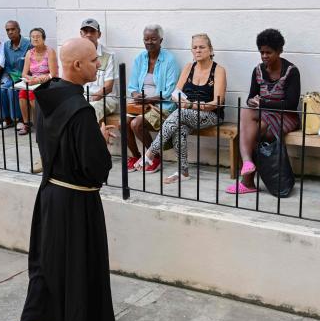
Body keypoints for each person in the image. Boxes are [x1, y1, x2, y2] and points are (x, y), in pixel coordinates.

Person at [19, 37, 117, 321]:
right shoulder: (80, 111)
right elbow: (96, 168)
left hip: (50, 193)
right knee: (76, 263)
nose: (98, 64)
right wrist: (99, 139)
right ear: (76, 65)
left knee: (49, 260)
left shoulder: (46, 96)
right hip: (76, 200)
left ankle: (35, 319)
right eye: (92, 61)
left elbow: (50, 143)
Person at [136, 33, 226, 183]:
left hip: (210, 115)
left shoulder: (218, 70)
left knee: (179, 114)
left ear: (210, 50)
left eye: (202, 47)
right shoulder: (189, 67)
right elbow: (175, 93)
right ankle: (183, 172)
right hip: (186, 113)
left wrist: (190, 105)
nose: (198, 50)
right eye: (194, 47)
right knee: (180, 129)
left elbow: (217, 102)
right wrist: (180, 101)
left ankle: (151, 152)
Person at [226, 29, 301, 194]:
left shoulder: (291, 71)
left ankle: (247, 182)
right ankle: (247, 164)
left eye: (269, 52)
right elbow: (251, 97)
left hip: (286, 116)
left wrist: (264, 103)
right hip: (263, 115)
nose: (265, 56)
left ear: (279, 51)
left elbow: (291, 104)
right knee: (247, 111)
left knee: (253, 132)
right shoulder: (258, 70)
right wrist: (253, 101)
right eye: (262, 52)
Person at [126, 24, 180, 173]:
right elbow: (132, 86)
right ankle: (136, 156)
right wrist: (136, 95)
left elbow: (170, 92)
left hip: (163, 106)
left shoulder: (169, 60)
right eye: (146, 39)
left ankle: (154, 157)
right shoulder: (139, 58)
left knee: (136, 124)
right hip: (140, 105)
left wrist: (149, 100)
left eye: (153, 39)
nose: (149, 42)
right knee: (123, 123)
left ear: (161, 40)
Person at [20, 27, 58, 135]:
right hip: (33, 81)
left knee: (32, 94)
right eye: (33, 37)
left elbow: (53, 74)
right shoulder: (29, 53)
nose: (35, 39)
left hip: (48, 81)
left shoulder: (49, 51)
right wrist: (29, 78)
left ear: (44, 38)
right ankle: (26, 124)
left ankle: (42, 123)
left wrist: (38, 80)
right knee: (22, 94)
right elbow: (24, 73)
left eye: (38, 37)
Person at [80, 18, 118, 123]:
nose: (88, 34)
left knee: (90, 110)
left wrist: (89, 101)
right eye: (85, 31)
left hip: (105, 99)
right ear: (81, 34)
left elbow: (109, 87)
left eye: (92, 31)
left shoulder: (109, 55)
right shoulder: (77, 54)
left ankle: (90, 139)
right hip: (83, 98)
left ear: (99, 34)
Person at [0, 20, 29, 131]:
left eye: (12, 29)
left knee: (12, 90)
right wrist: (10, 77)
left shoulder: (27, 44)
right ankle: (7, 119)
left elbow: (30, 65)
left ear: (19, 30)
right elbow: (6, 64)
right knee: (0, 89)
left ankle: (19, 119)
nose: (10, 32)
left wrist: (20, 77)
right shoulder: (6, 45)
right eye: (7, 30)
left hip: (26, 77)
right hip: (12, 76)